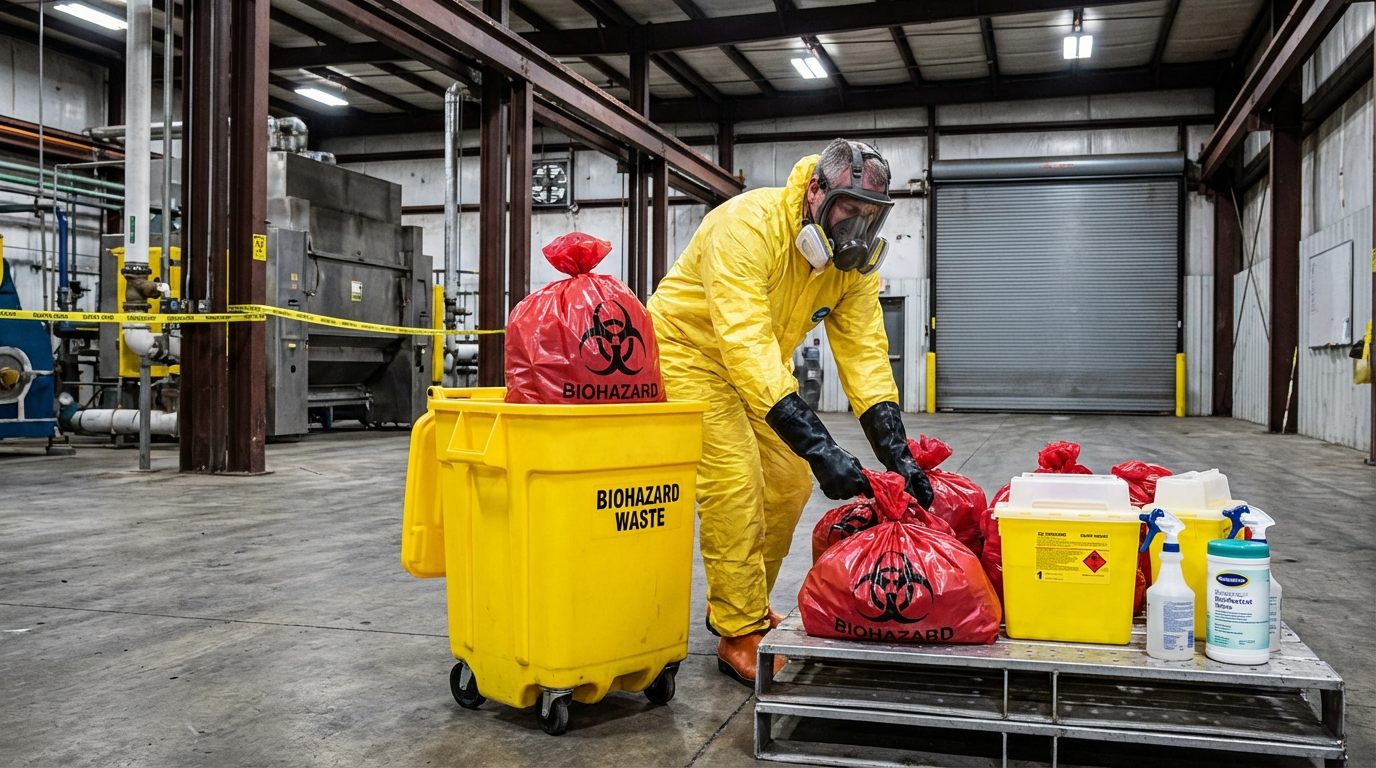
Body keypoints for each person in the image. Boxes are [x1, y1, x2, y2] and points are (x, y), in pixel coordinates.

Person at [647, 139, 934, 686]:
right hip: (689, 355)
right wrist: (823, 444)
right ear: (815, 193)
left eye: (870, 217)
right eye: (850, 212)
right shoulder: (747, 227)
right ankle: (739, 629)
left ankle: (740, 605)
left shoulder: (850, 267)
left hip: (758, 367)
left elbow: (865, 352)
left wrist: (898, 455)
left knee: (787, 483)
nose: (857, 229)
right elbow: (745, 345)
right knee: (735, 483)